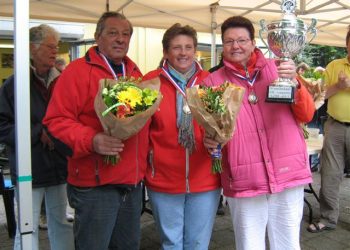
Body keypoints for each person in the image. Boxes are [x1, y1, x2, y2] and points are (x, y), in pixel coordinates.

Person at [203, 16, 315, 250]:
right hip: (245, 178)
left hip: (287, 172)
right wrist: (210, 139)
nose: (236, 46)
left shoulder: (280, 69)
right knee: (249, 245)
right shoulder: (213, 81)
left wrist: (294, 81)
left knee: (287, 244)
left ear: (254, 42)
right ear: (223, 45)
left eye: (242, 40)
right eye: (229, 41)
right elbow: (209, 129)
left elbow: (307, 114)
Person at [43, 12, 146, 250]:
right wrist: (92, 140)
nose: (120, 39)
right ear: (97, 37)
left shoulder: (135, 73)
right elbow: (55, 121)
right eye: (113, 33)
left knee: (127, 246)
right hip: (96, 186)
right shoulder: (76, 72)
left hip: (131, 184)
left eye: (125, 34)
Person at [143, 23, 221, 249]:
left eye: (188, 47)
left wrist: (220, 141)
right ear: (166, 52)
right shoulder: (151, 82)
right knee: (171, 242)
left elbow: (228, 126)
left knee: (198, 243)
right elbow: (140, 132)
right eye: (176, 47)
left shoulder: (212, 82)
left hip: (204, 177)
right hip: (163, 178)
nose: (183, 53)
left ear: (195, 50)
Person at [0, 24, 74, 250]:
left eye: (56, 47)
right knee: (27, 225)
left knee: (61, 221)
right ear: (32, 48)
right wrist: (38, 133)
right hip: (28, 170)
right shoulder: (14, 84)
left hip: (59, 166)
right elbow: (2, 126)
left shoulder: (62, 81)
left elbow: (71, 118)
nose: (55, 51)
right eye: (50, 47)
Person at [307, 25, 350, 233]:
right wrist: (339, 87)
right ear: (347, 44)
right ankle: (328, 218)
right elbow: (321, 95)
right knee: (330, 174)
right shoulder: (334, 65)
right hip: (335, 126)